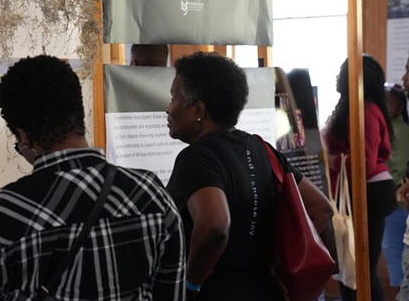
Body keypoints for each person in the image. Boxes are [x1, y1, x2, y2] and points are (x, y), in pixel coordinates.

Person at [0, 55, 185, 300]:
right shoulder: (150, 194)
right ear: (80, 113)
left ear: (24, 137)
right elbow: (172, 292)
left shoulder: (6, 212)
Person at [165, 51, 332, 301]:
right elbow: (320, 207)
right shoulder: (261, 149)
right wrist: (277, 261)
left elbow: (215, 225)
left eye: (173, 98)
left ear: (198, 110)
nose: (168, 108)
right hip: (267, 290)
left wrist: (189, 285)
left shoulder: (196, 158)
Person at [323, 55, 398, 301]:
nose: (337, 77)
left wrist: (331, 159)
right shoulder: (358, 108)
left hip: (368, 192)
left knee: (359, 272)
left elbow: (363, 162)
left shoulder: (365, 111)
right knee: (350, 270)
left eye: (341, 72)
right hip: (363, 191)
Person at [383, 84, 409, 294]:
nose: (385, 107)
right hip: (392, 199)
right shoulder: (390, 129)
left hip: (397, 201)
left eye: (389, 103)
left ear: (400, 106)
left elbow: (398, 168)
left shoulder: (401, 131)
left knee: (393, 250)